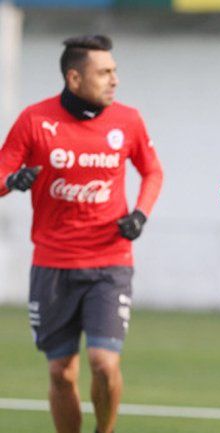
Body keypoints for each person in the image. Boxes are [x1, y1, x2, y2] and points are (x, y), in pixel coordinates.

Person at [0, 35, 163, 433]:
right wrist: (12, 181)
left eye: (115, 71)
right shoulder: (34, 120)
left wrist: (140, 213)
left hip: (110, 263)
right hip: (52, 266)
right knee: (62, 373)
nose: (114, 80)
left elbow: (152, 170)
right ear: (74, 78)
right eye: (104, 72)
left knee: (104, 364)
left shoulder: (128, 120)